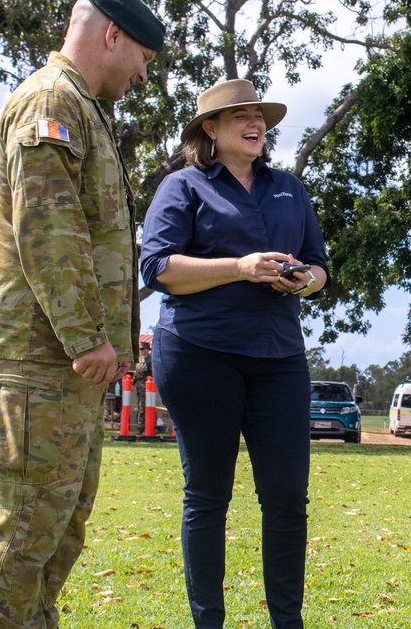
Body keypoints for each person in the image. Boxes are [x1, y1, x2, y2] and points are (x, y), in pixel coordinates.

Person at [0, 0, 165, 628]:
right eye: (144, 59)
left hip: (61, 362)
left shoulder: (83, 110)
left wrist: (93, 344)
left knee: (58, 526)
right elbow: (46, 228)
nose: (142, 74)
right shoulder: (50, 101)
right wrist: (86, 338)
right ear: (112, 36)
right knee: (25, 530)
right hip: (35, 355)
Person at [140, 78, 329, 629]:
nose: (255, 124)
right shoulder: (183, 187)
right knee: (208, 495)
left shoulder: (290, 187)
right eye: (240, 116)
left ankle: (286, 623)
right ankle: (208, 623)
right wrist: (241, 267)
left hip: (279, 357)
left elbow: (319, 263)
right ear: (211, 129)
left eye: (260, 116)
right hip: (200, 353)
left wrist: (305, 281)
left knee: (288, 496)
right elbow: (157, 269)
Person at [133, 340, 153, 430]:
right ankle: (140, 427)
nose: (140, 351)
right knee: (139, 407)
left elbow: (153, 374)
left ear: (147, 349)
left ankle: (143, 428)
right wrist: (131, 384)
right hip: (139, 387)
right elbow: (136, 373)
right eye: (140, 349)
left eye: (142, 349)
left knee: (144, 408)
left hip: (148, 388)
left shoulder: (150, 360)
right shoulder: (139, 359)